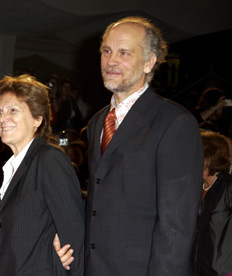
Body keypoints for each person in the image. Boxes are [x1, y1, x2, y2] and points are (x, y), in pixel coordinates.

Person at [63, 16, 203, 275]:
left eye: (124, 52)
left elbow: (177, 224)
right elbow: (99, 203)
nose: (111, 60)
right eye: (107, 51)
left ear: (149, 62)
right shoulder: (97, 123)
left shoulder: (174, 122)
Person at [0, 74, 85, 275]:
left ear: (37, 119)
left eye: (13, 110)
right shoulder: (14, 166)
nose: (3, 119)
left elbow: (73, 232)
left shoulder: (48, 159)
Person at [191, 131, 232, 276]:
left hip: (222, 271)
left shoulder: (228, 186)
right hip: (197, 269)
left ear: (209, 157)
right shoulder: (195, 187)